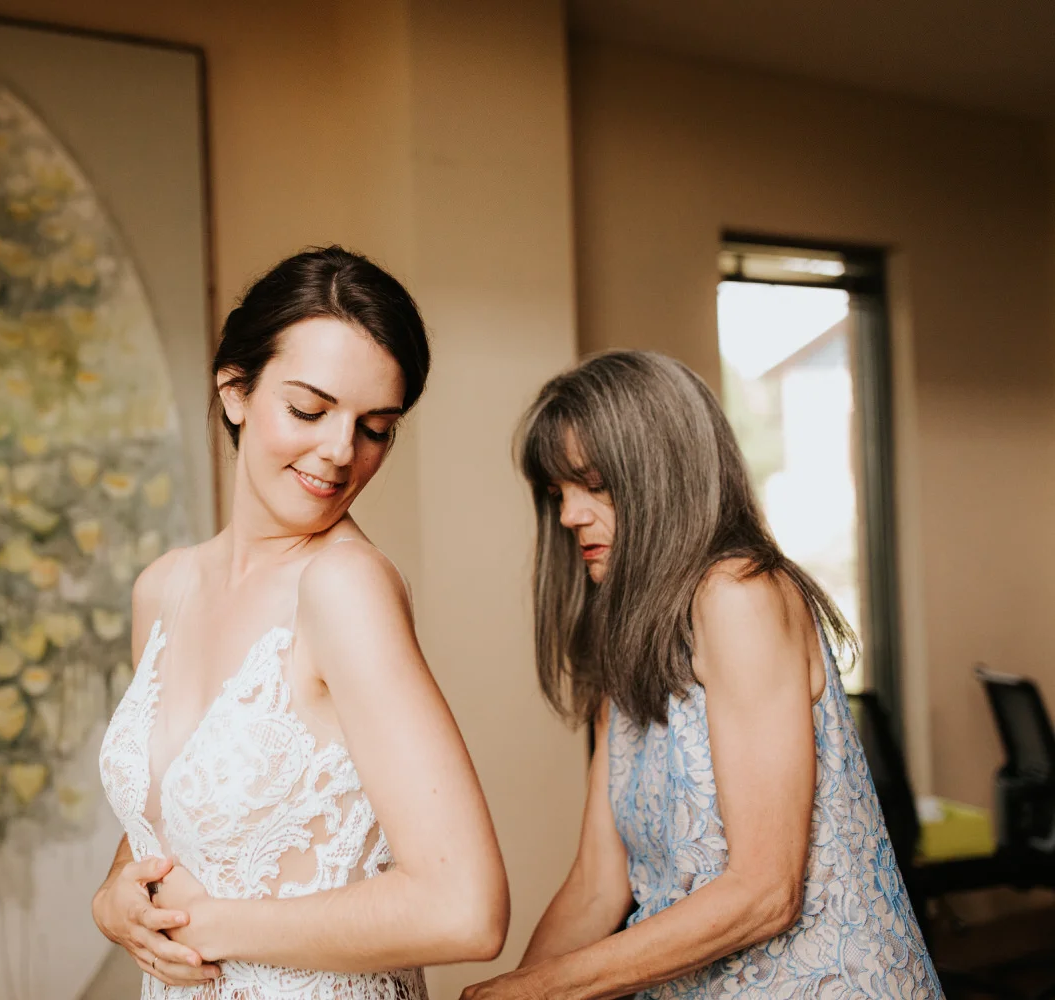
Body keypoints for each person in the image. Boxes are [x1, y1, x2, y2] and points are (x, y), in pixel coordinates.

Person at [95, 247, 509, 999]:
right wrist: (112, 898)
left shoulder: (345, 588)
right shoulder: (163, 590)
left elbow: (466, 908)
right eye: (310, 411)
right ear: (235, 392)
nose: (341, 452)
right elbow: (174, 813)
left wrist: (215, 924)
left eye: (376, 427)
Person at [463, 351, 942, 999]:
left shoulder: (739, 596)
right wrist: (514, 987)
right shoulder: (629, 634)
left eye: (595, 483)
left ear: (664, 476)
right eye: (558, 493)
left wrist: (541, 990)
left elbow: (765, 893)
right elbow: (597, 886)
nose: (570, 514)